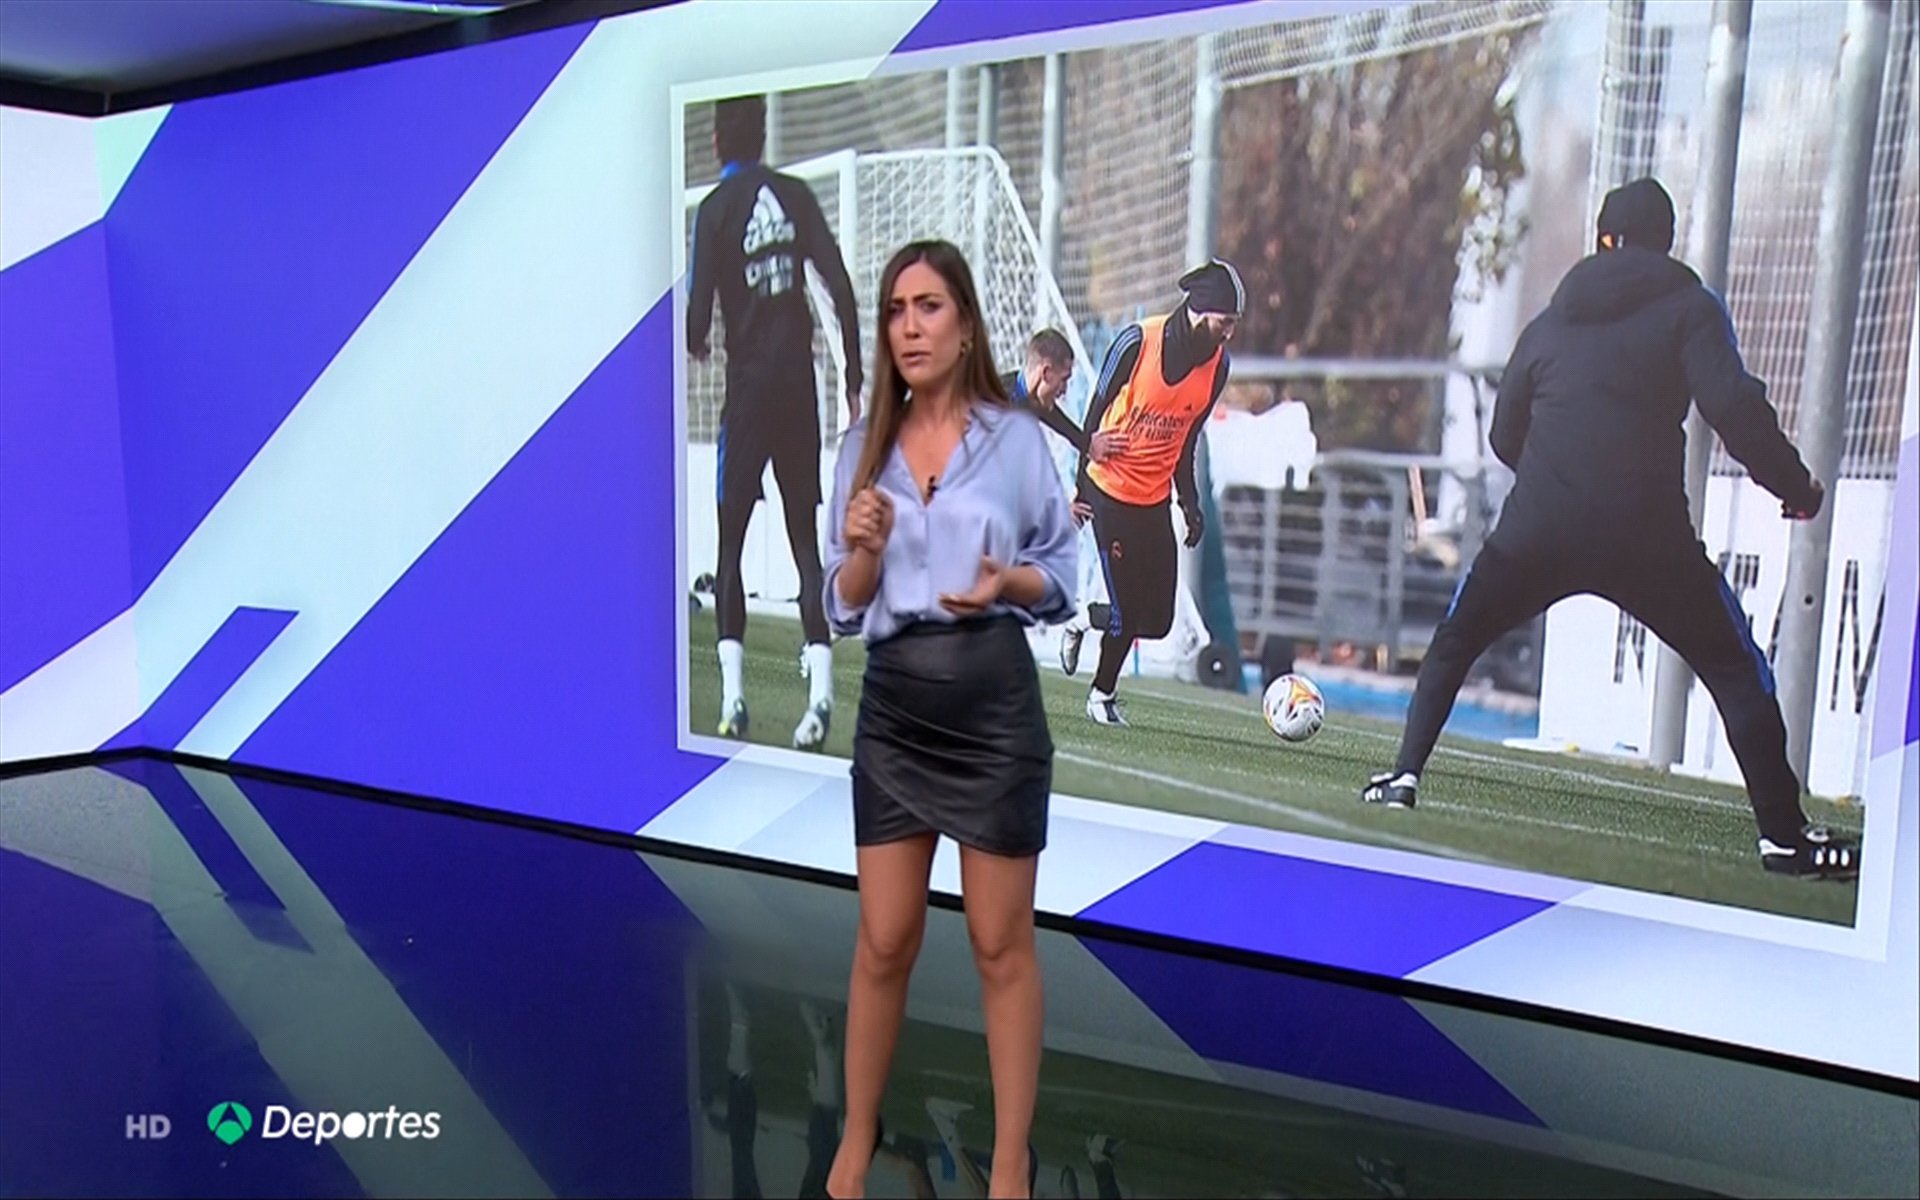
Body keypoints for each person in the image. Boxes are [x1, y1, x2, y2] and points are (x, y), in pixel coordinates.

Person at [1362, 177, 1857, 881]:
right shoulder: (1691, 308)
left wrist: (1555, 480)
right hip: (1647, 538)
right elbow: (1734, 408)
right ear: (1666, 243)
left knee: (1457, 638)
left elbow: (1504, 436)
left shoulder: (1549, 323)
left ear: (1602, 240)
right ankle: (1783, 837)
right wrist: (1795, 489)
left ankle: (1404, 777)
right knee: (1734, 670)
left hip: (1537, 529)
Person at [821, 240, 1075, 1199]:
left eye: (928, 307)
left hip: (993, 711)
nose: (910, 326)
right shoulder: (861, 446)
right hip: (895, 711)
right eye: (895, 310)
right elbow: (842, 604)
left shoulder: (1015, 439)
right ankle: (856, 1140)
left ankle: (1008, 1167)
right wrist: (861, 551)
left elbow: (1063, 574)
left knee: (999, 946)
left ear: (966, 324)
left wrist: (1009, 581)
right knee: (884, 939)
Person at [688, 93, 863, 750]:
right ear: (762, 136)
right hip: (798, 387)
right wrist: (853, 376)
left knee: (730, 545)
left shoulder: (714, 210)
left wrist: (700, 339)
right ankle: (820, 701)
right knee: (803, 542)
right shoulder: (794, 195)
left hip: (749, 393)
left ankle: (733, 700)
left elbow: (697, 318)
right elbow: (840, 287)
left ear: (716, 141)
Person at [1057, 260, 1242, 726]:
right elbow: (1095, 412)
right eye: (1224, 322)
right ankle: (1101, 696)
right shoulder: (1138, 342)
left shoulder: (1218, 367)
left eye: (1234, 324)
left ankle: (1083, 618)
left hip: (1153, 500)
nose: (1229, 334)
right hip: (1108, 489)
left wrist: (1190, 503)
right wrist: (1081, 483)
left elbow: (1188, 438)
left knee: (1158, 622)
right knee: (1126, 611)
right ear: (1200, 312)